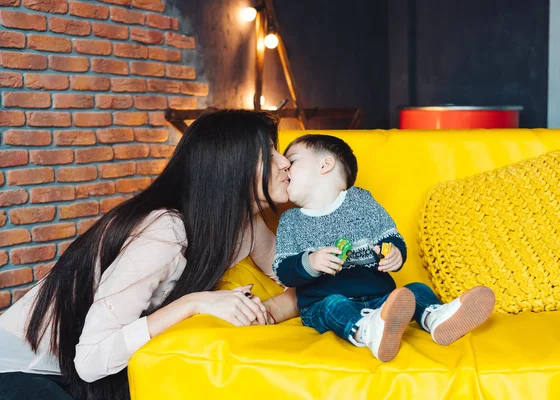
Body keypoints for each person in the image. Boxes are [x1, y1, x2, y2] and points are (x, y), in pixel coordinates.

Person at [0, 110, 299, 400]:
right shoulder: (165, 231)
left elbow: (295, 277)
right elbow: (91, 360)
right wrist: (193, 303)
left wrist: (268, 310)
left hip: (96, 371)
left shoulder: (246, 223)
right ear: (232, 167)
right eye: (269, 154)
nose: (286, 163)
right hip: (26, 367)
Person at [273, 134, 496, 362]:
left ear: (325, 164)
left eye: (292, 161)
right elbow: (282, 270)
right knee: (334, 304)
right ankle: (366, 330)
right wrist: (310, 262)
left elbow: (389, 237)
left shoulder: (360, 201)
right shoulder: (291, 221)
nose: (285, 170)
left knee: (414, 290)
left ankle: (436, 317)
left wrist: (394, 254)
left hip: (381, 297)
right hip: (322, 302)